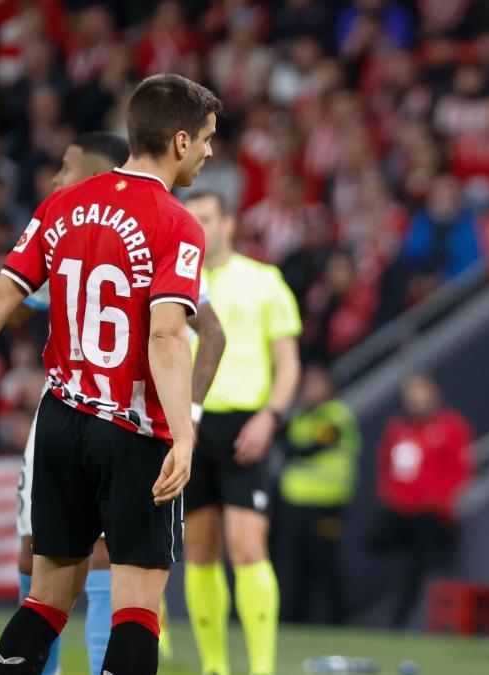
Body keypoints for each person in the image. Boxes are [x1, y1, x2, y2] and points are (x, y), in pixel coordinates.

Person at [0, 72, 220, 674]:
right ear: (179, 142)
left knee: (45, 599)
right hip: (134, 430)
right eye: (207, 138)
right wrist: (186, 434)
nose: (211, 151)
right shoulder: (178, 224)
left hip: (61, 421)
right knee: (137, 606)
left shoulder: (62, 204)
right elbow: (168, 333)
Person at [183, 190, 301, 675]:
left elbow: (289, 365)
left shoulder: (265, 281)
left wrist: (270, 416)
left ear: (229, 223)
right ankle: (214, 666)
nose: (200, 228)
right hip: (190, 421)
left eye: (208, 218)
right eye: (192, 220)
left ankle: (262, 667)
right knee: (200, 549)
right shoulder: (176, 281)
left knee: (248, 546)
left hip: (244, 423)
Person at [370, 373, 475, 628]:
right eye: (410, 393)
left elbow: (460, 469)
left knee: (423, 563)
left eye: (420, 392)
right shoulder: (398, 427)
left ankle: (411, 620)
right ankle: (398, 614)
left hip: (431, 513)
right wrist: (389, 494)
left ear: (434, 394)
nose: (414, 399)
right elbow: (385, 465)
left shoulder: (450, 426)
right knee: (375, 542)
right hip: (399, 510)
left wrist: (437, 499)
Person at [272, 364, 361, 624]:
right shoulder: (302, 416)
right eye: (307, 384)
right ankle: (295, 619)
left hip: (326, 505)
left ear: (330, 387)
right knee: (294, 565)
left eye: (316, 384)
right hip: (295, 505)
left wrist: (282, 437)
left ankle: (337, 620)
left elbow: (306, 449)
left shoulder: (337, 416)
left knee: (326, 565)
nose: (309, 390)